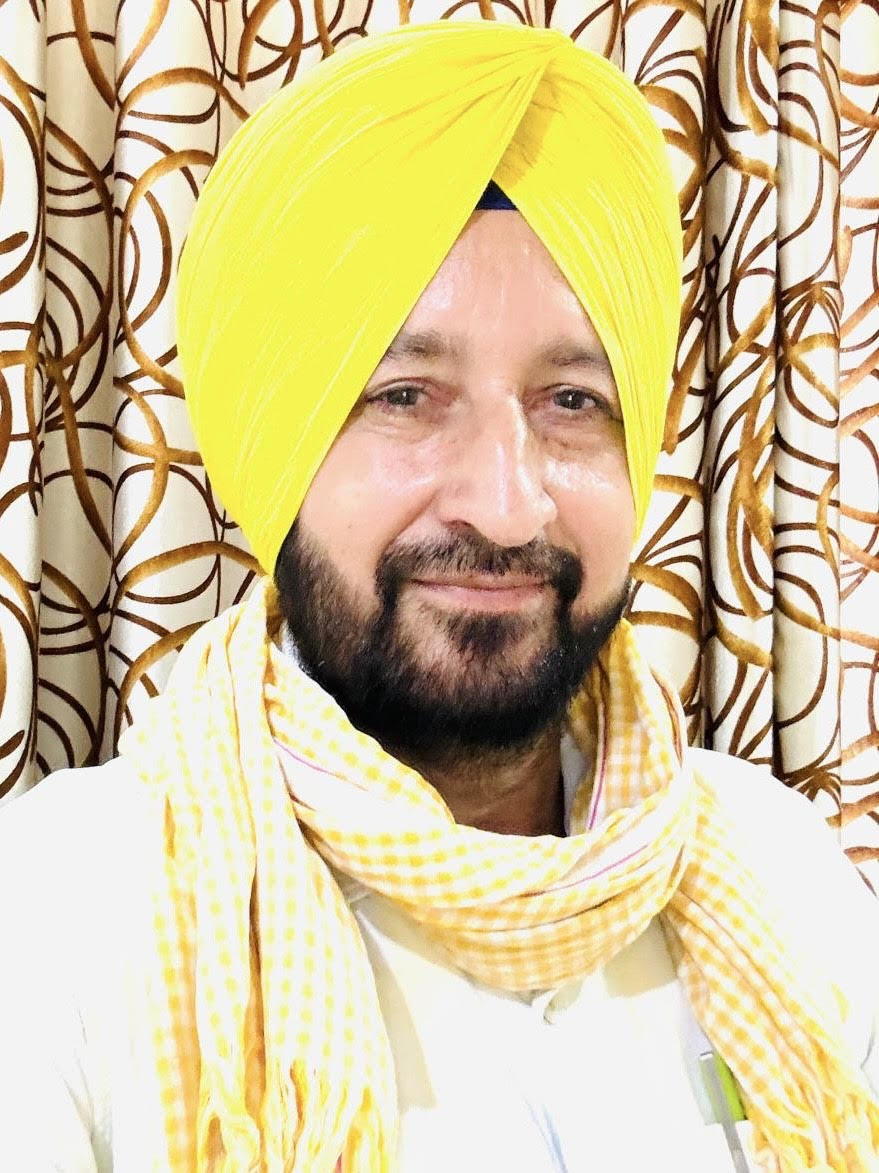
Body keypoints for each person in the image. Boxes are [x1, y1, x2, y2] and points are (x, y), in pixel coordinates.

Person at [0, 20, 877, 1173]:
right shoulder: (60, 919)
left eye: (573, 401)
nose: (505, 508)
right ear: (273, 450)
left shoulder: (784, 879)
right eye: (406, 396)